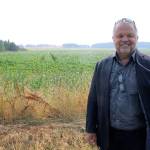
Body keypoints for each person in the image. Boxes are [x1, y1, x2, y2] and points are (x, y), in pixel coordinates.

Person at [86, 18, 150, 150]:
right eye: (120, 36)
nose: (125, 39)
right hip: (109, 135)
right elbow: (93, 99)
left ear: (137, 38)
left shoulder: (147, 66)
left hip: (140, 136)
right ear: (113, 39)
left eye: (130, 35)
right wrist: (91, 129)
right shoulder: (102, 66)